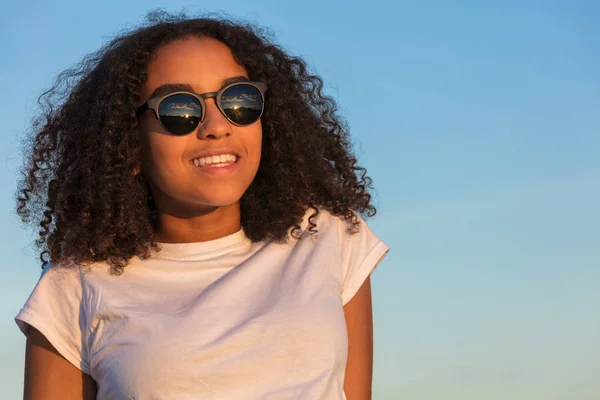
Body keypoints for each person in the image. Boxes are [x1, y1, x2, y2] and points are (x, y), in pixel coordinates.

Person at [15, 11, 389, 400]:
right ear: (128, 143)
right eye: (180, 109)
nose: (216, 124)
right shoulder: (74, 286)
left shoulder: (327, 238)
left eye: (239, 100)